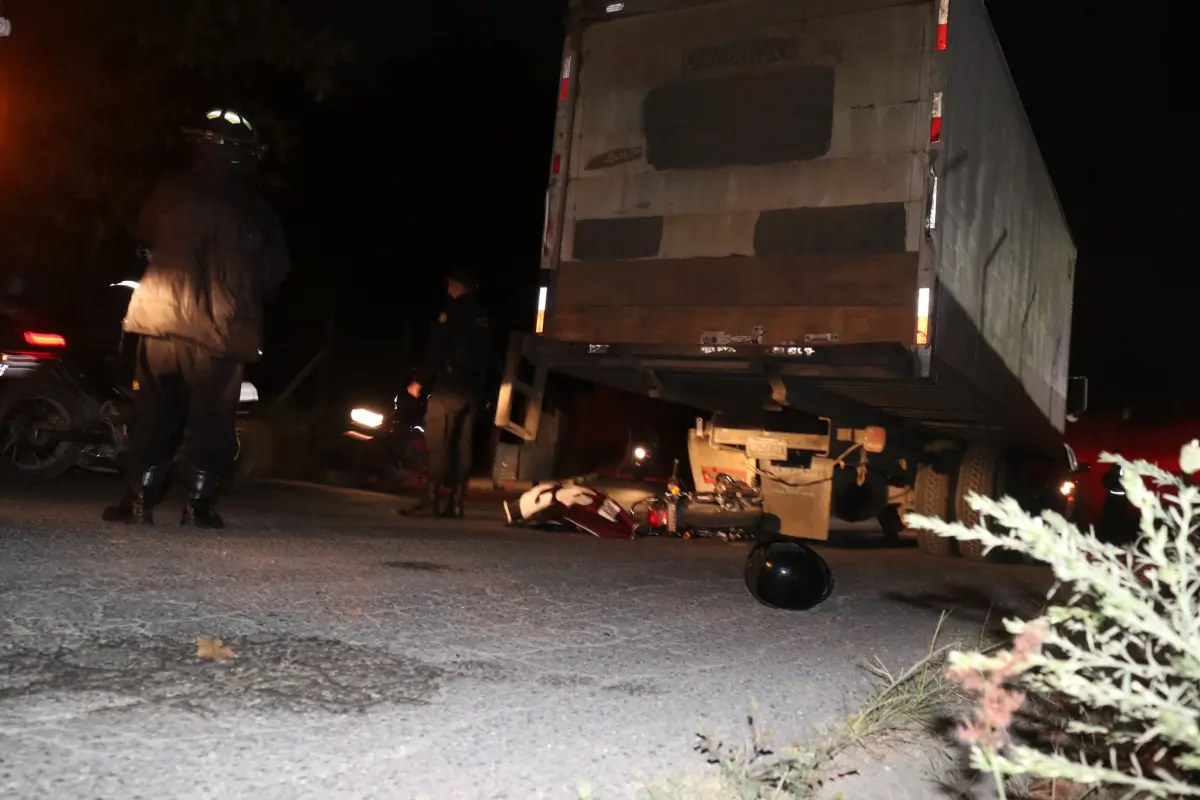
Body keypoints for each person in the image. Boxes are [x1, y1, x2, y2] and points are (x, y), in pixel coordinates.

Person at [102, 107, 292, 529]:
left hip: (161, 319)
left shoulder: (171, 191)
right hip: (222, 332)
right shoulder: (258, 212)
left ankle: (138, 501)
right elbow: (275, 272)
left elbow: (146, 231)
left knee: (153, 409)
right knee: (212, 418)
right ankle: (199, 507)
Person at [401, 267, 492, 518]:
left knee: (437, 443)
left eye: (451, 282)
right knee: (463, 445)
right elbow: (489, 355)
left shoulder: (453, 311)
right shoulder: (484, 315)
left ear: (459, 285)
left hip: (450, 385)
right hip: (474, 389)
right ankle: (457, 503)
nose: (448, 287)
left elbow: (438, 348)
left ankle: (431, 502)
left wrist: (419, 381)